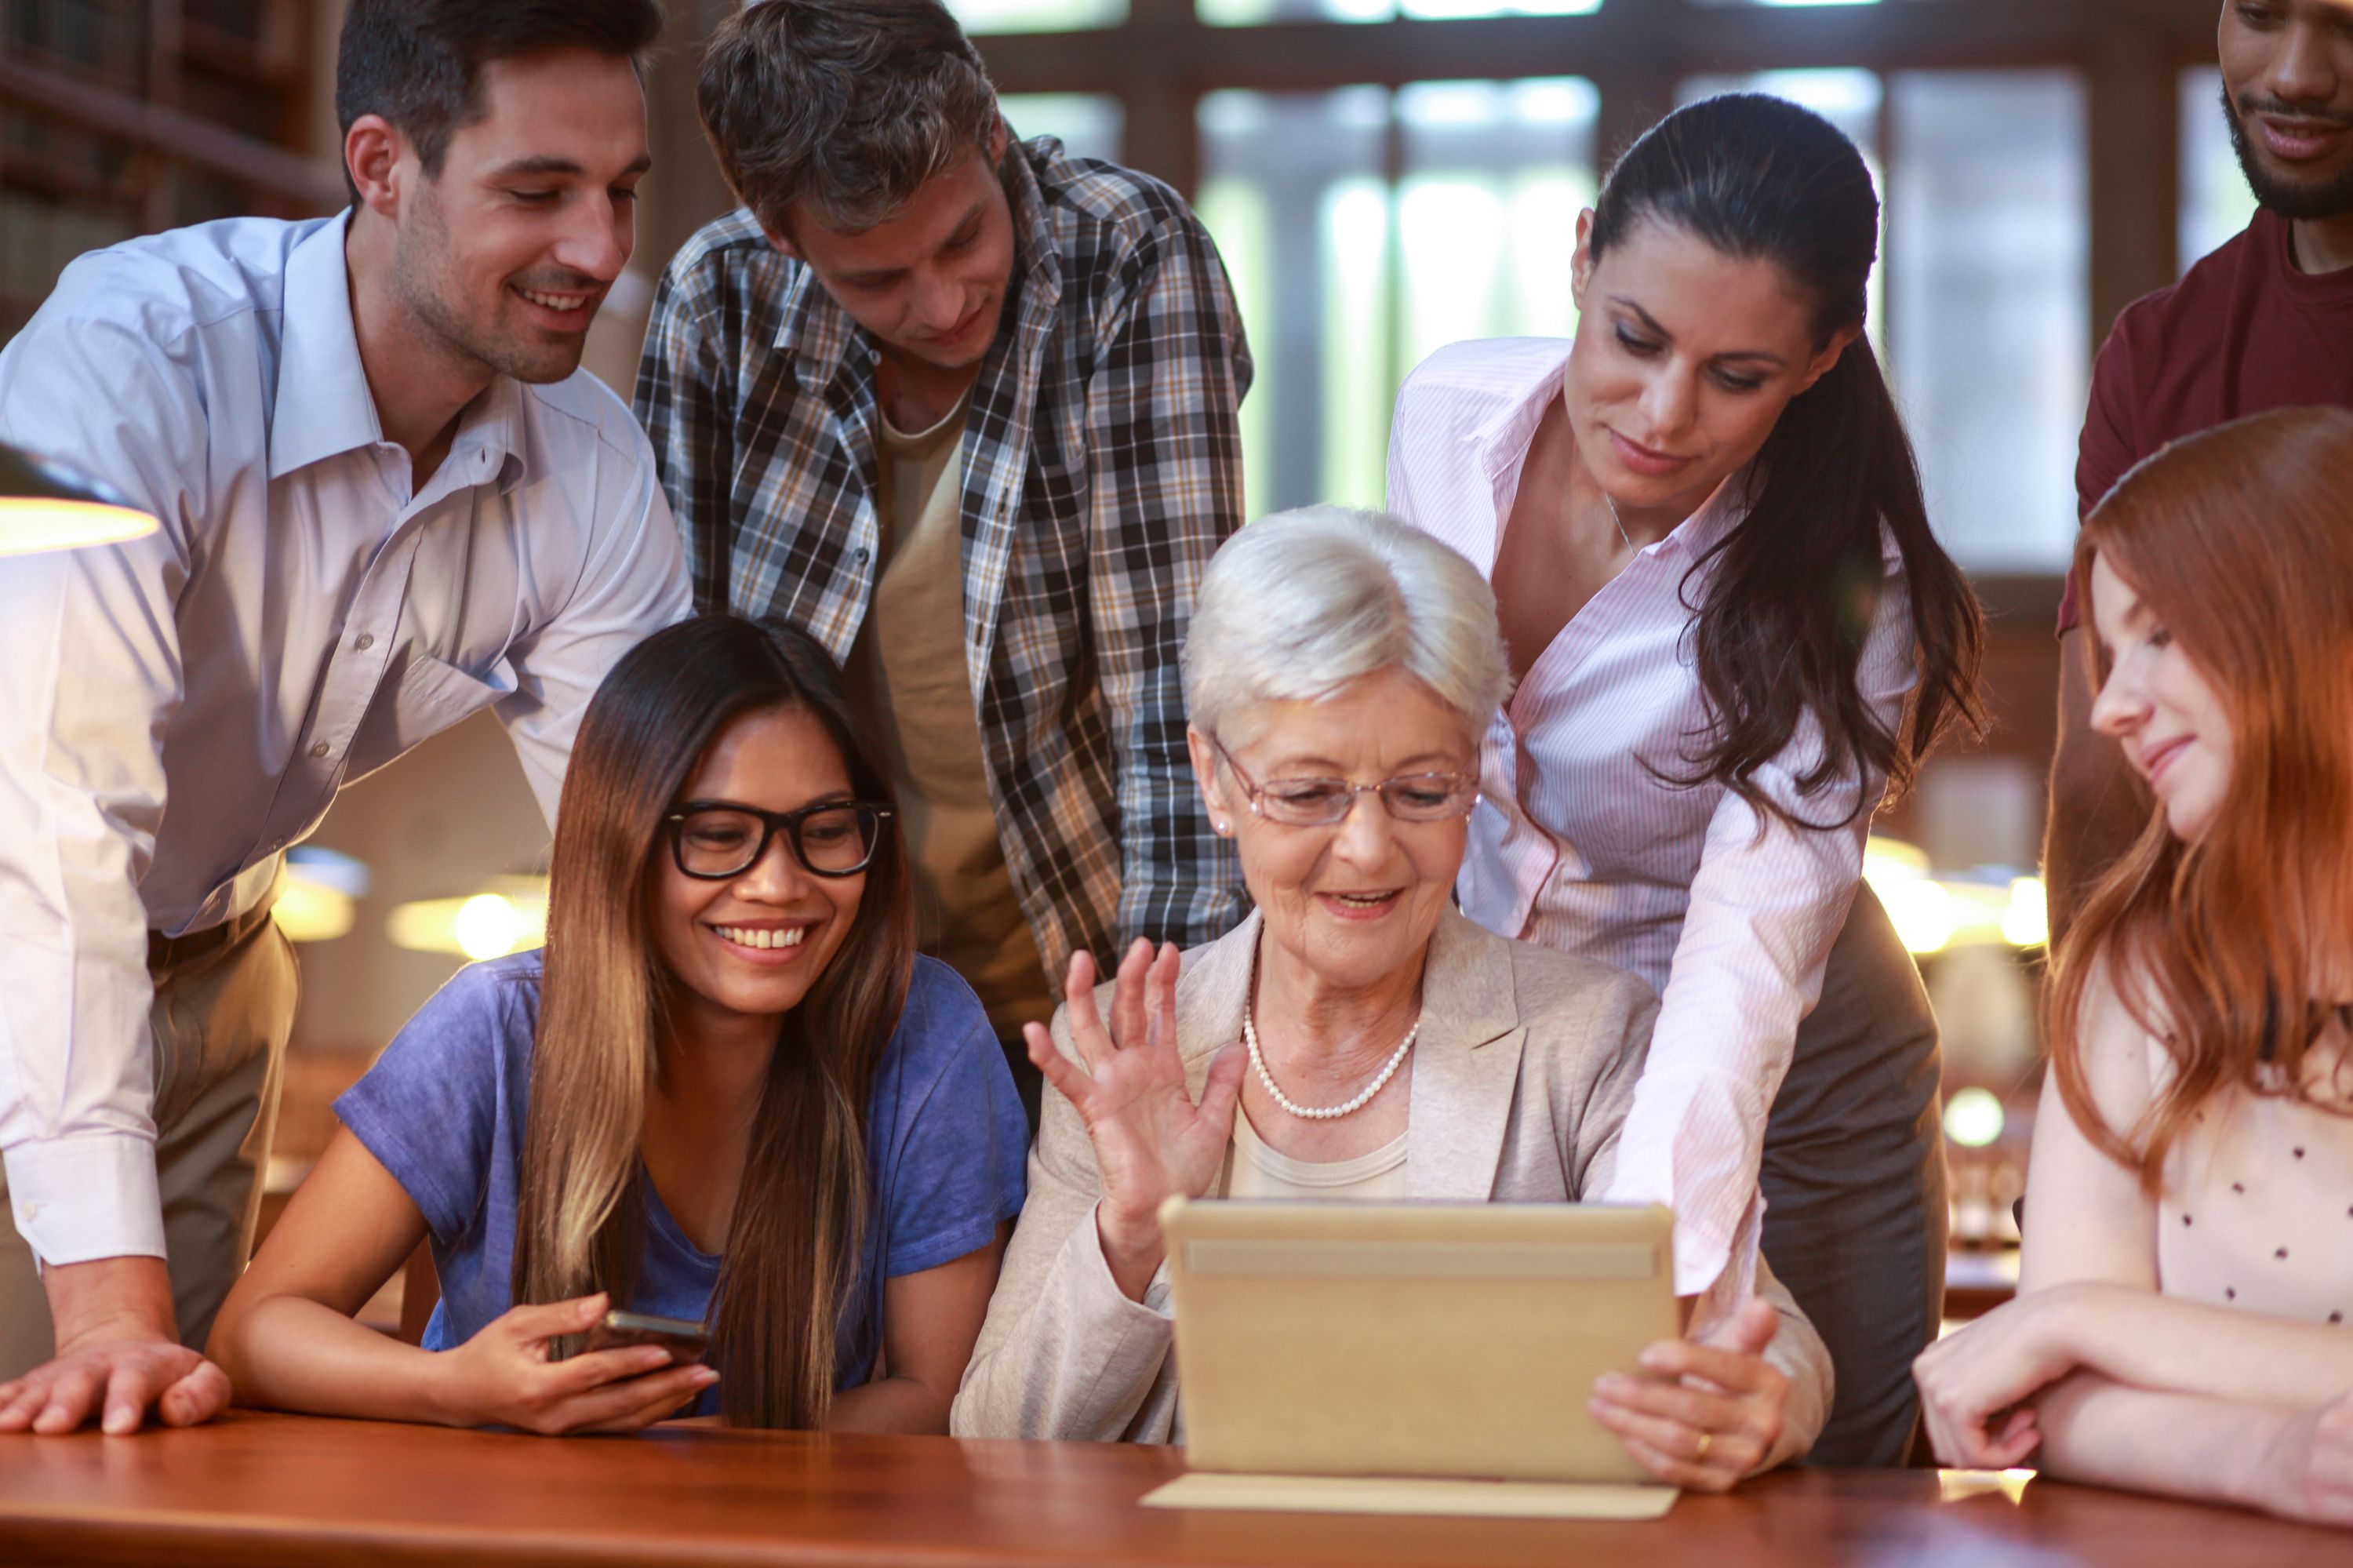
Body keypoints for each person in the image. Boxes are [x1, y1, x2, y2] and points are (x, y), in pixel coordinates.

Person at [0, 0, 689, 1436]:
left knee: (146, 1468)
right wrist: (110, 1306)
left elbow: (637, 861)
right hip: (31, 917)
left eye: (621, 190)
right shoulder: (139, 359)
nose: (602, 251)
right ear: (382, 165)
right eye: (538, 191)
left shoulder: (594, 470)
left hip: (221, 962)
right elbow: (55, 845)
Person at [952, 508, 1831, 1489]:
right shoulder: (1135, 1045)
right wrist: (1131, 1233)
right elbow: (993, 1435)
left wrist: (1768, 1399)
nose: (1368, 849)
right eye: (1308, 792)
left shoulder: (1584, 1037)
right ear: (1215, 778)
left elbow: (1771, 1338)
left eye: (1421, 792)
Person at [1385, 93, 1985, 1466]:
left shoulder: (1849, 580)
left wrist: (1646, 1259)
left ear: (1824, 357)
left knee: (1808, 1488)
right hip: (1525, 1037)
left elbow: (1746, 955)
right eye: (1635, 338)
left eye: (1738, 375)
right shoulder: (1447, 414)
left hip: (1786, 1073)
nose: (1660, 415)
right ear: (1585, 256)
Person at [634, 0, 1253, 1122]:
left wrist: (1171, 1041)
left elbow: (1178, 697)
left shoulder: (1128, 258)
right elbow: (689, 700)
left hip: (1085, 990)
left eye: (963, 235)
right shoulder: (716, 302)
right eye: (876, 279)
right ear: (784, 237)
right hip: (822, 996)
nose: (943, 302)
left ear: (996, 136)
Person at [205, 617, 1027, 1434]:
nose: (780, 883)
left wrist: (671, 1464)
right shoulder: (495, 1027)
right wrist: (456, 1386)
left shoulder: (924, 1028)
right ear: (624, 838)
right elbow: (253, 1331)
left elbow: (934, 1397)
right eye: (717, 836)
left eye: (824, 831)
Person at [1913, 408, 2353, 1529]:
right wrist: (2278, 1455)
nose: (2109, 706)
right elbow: (2049, 1404)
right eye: (2111, 651)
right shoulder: (2131, 969)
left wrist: (2084, 1320)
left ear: (2307, 622)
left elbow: (2050, 1339)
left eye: (2158, 633)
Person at [2045, 0, 2353, 940]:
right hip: (2236, 1001)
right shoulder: (2161, 351)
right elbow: (2099, 773)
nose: (2297, 73)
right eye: (2259, 11)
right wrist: (2097, 1051)